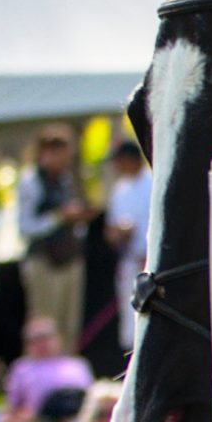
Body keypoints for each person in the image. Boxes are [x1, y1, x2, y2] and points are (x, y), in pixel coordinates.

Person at [13, 125, 95, 349]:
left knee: (69, 324)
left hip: (70, 257)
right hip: (43, 260)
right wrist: (59, 217)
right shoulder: (31, 181)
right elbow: (25, 227)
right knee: (44, 324)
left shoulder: (66, 180)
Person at [93, 139, 152, 375]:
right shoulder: (120, 190)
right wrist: (117, 234)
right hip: (128, 262)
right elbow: (111, 229)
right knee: (129, 320)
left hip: (150, 261)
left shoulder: (151, 182)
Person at [1, 316, 94, 422]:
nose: (42, 343)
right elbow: (12, 407)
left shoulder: (78, 365)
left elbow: (91, 398)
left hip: (77, 420)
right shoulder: (22, 368)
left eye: (46, 337)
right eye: (36, 339)